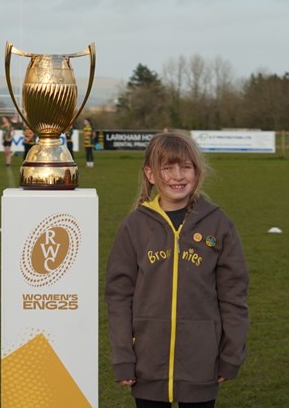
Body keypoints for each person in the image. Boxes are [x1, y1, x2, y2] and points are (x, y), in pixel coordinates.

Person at [105, 131, 249, 408]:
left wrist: (231, 355)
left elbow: (233, 296)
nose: (177, 176)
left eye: (185, 167)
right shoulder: (134, 226)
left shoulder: (218, 225)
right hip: (146, 364)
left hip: (201, 364)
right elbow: (118, 297)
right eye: (167, 168)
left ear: (197, 172)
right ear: (150, 174)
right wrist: (123, 356)